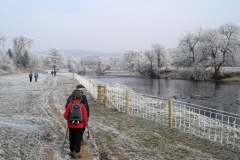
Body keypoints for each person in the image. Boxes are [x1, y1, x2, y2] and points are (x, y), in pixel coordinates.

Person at [63, 90, 88, 159]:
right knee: (78, 139)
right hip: (80, 125)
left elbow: (65, 115)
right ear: (80, 98)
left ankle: (71, 151)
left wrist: (69, 119)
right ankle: (77, 153)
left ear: (73, 97)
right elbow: (85, 116)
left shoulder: (69, 105)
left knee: (72, 138)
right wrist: (85, 123)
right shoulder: (82, 106)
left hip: (71, 125)